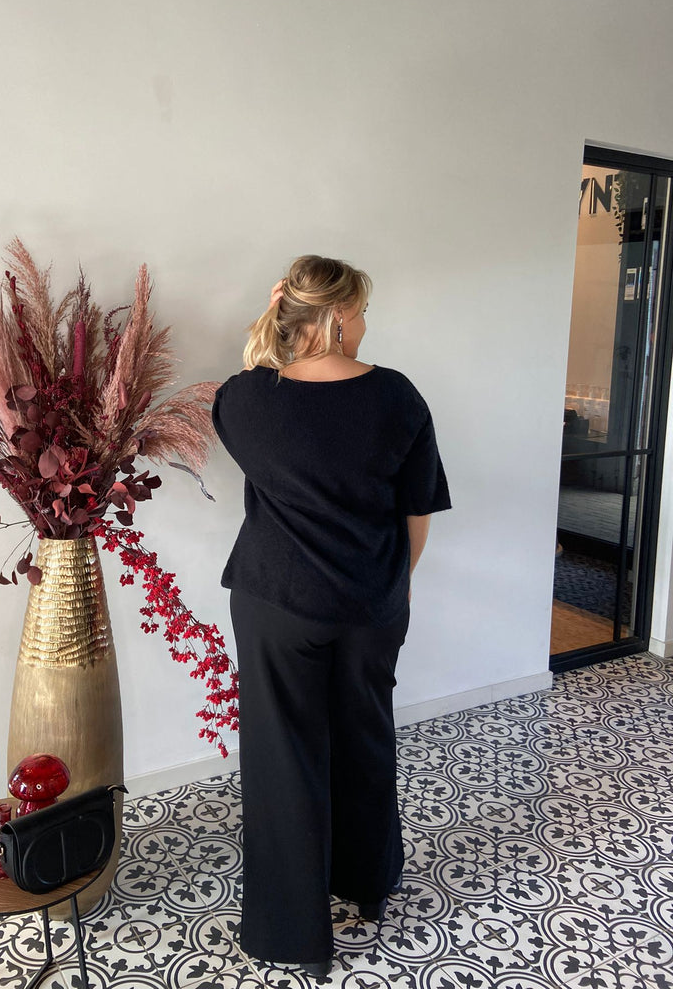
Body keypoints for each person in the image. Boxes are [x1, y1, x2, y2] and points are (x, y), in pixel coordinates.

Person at [211, 255, 451, 979]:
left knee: (283, 760)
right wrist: (384, 588)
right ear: (338, 317)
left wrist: (276, 316)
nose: (369, 323)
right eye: (363, 310)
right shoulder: (397, 397)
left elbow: (270, 408)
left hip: (273, 601)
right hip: (368, 606)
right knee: (365, 740)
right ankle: (367, 882)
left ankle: (292, 935)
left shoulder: (241, 399)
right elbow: (417, 515)